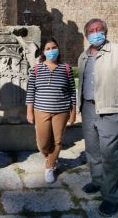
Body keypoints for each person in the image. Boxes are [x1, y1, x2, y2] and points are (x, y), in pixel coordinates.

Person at [78, 18, 118, 217]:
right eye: (92, 30)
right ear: (86, 35)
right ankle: (97, 181)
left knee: (109, 155)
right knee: (92, 150)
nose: (96, 33)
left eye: (99, 29)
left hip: (110, 111)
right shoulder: (83, 56)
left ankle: (112, 196)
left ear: (105, 31)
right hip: (87, 109)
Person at [26, 38, 76, 184]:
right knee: (42, 143)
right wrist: (29, 112)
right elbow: (30, 91)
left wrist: (73, 112)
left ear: (58, 49)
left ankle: (49, 166)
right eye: (48, 48)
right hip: (41, 110)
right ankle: (51, 157)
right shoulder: (36, 69)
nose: (51, 50)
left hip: (62, 111)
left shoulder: (66, 68)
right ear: (43, 52)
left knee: (57, 140)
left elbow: (72, 91)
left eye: (54, 47)